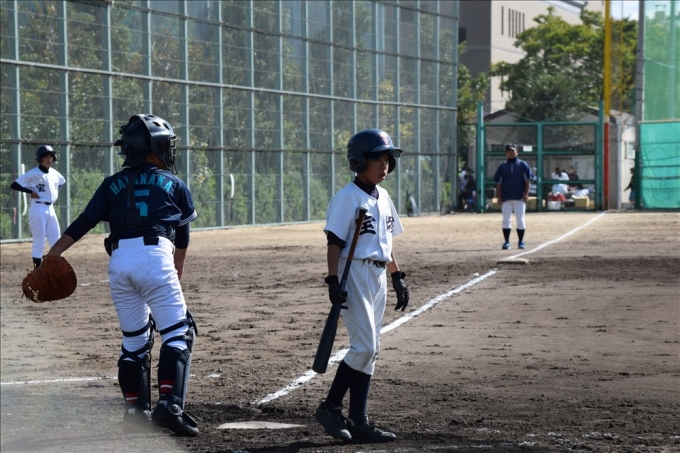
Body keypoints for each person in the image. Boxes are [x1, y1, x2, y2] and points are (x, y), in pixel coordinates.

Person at [44, 114, 199, 436]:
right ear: (155, 147)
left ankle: (135, 414)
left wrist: (54, 253)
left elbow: (84, 222)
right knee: (178, 333)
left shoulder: (111, 183)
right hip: (155, 257)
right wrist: (178, 264)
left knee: (135, 341)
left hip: (118, 262)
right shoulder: (173, 183)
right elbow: (182, 233)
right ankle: (170, 406)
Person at [315, 128, 409, 444]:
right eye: (377, 159)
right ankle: (330, 407)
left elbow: (386, 243)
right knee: (364, 346)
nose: (384, 165)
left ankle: (359, 420)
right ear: (359, 161)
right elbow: (334, 241)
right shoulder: (347, 197)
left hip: (377, 276)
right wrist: (332, 280)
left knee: (372, 350)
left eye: (387, 160)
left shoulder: (384, 197)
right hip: (352, 272)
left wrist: (397, 275)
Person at [10, 145, 65, 268]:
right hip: (38, 208)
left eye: (51, 156)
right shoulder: (34, 173)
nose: (49, 159)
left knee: (56, 240)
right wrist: (31, 192)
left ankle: (55, 269)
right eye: (46, 156)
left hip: (51, 208)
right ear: (40, 158)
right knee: (39, 241)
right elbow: (14, 185)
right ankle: (38, 271)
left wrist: (55, 192)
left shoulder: (54, 173)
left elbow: (62, 181)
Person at [493, 143, 532, 250]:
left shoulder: (523, 164)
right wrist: (499, 197)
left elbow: (527, 181)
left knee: (520, 219)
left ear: (517, 152)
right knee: (506, 220)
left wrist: (526, 193)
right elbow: (499, 183)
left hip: (519, 197)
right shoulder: (503, 166)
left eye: (513, 151)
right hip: (506, 197)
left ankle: (521, 241)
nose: (511, 153)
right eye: (509, 151)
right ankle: (506, 242)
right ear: (506, 153)